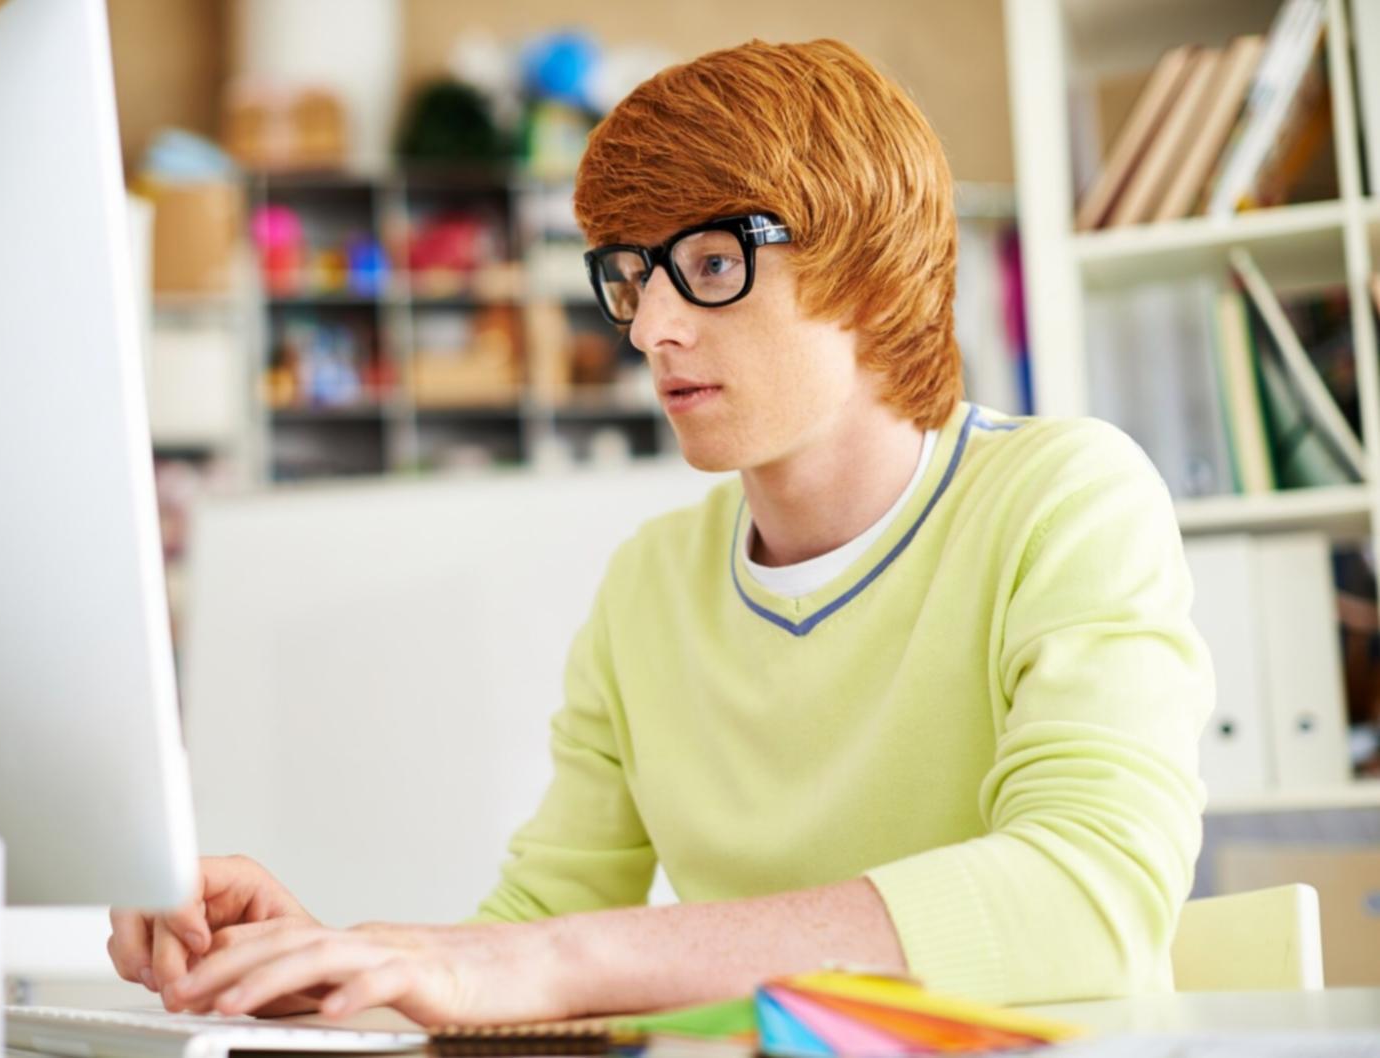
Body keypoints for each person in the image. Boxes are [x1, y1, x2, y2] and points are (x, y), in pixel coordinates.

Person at [106, 38, 1211, 1025]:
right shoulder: (650, 587)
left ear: (872, 273)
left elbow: (1088, 895)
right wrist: (342, 971)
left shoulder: (1067, 496)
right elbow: (536, 935)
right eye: (631, 275)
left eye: (715, 264)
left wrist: (554, 958)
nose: (652, 324)